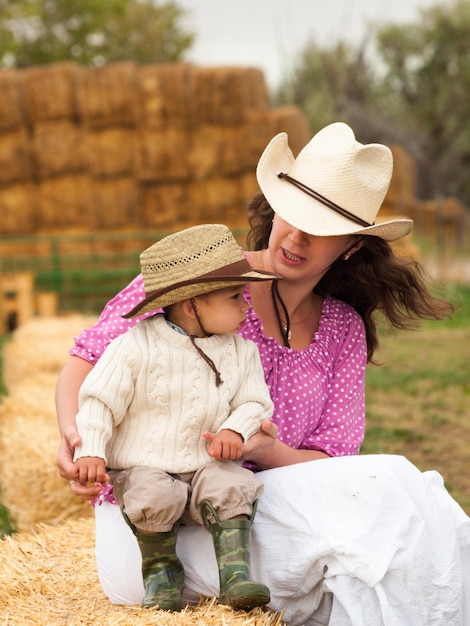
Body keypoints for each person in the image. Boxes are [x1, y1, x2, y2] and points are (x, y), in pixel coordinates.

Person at [57, 122, 470, 625]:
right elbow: (86, 359)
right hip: (157, 527)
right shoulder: (194, 280)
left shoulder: (342, 329)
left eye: (320, 227)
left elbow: (332, 461)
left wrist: (263, 451)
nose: (296, 236)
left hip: (258, 515)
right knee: (397, 492)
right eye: (291, 214)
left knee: (409, 499)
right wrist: (74, 436)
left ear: (353, 246)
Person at [73, 223, 276, 611]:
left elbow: (255, 402)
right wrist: (92, 451)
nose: (246, 306)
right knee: (152, 494)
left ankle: (235, 573)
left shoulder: (241, 351)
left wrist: (235, 428)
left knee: (231, 484)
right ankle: (161, 571)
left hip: (207, 461)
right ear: (192, 304)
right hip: (145, 465)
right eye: (236, 296)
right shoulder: (134, 346)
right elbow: (99, 401)